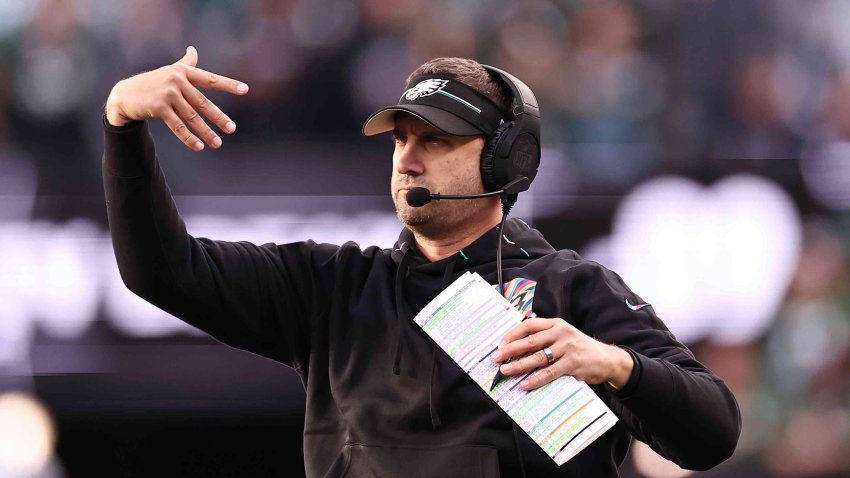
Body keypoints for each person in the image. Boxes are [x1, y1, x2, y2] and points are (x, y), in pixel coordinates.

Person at [102, 46, 740, 477]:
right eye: (402, 139)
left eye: (435, 140)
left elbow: (714, 432)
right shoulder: (333, 289)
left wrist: (615, 365)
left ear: (506, 161)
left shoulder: (574, 292)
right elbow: (160, 270)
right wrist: (122, 125)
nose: (407, 159)